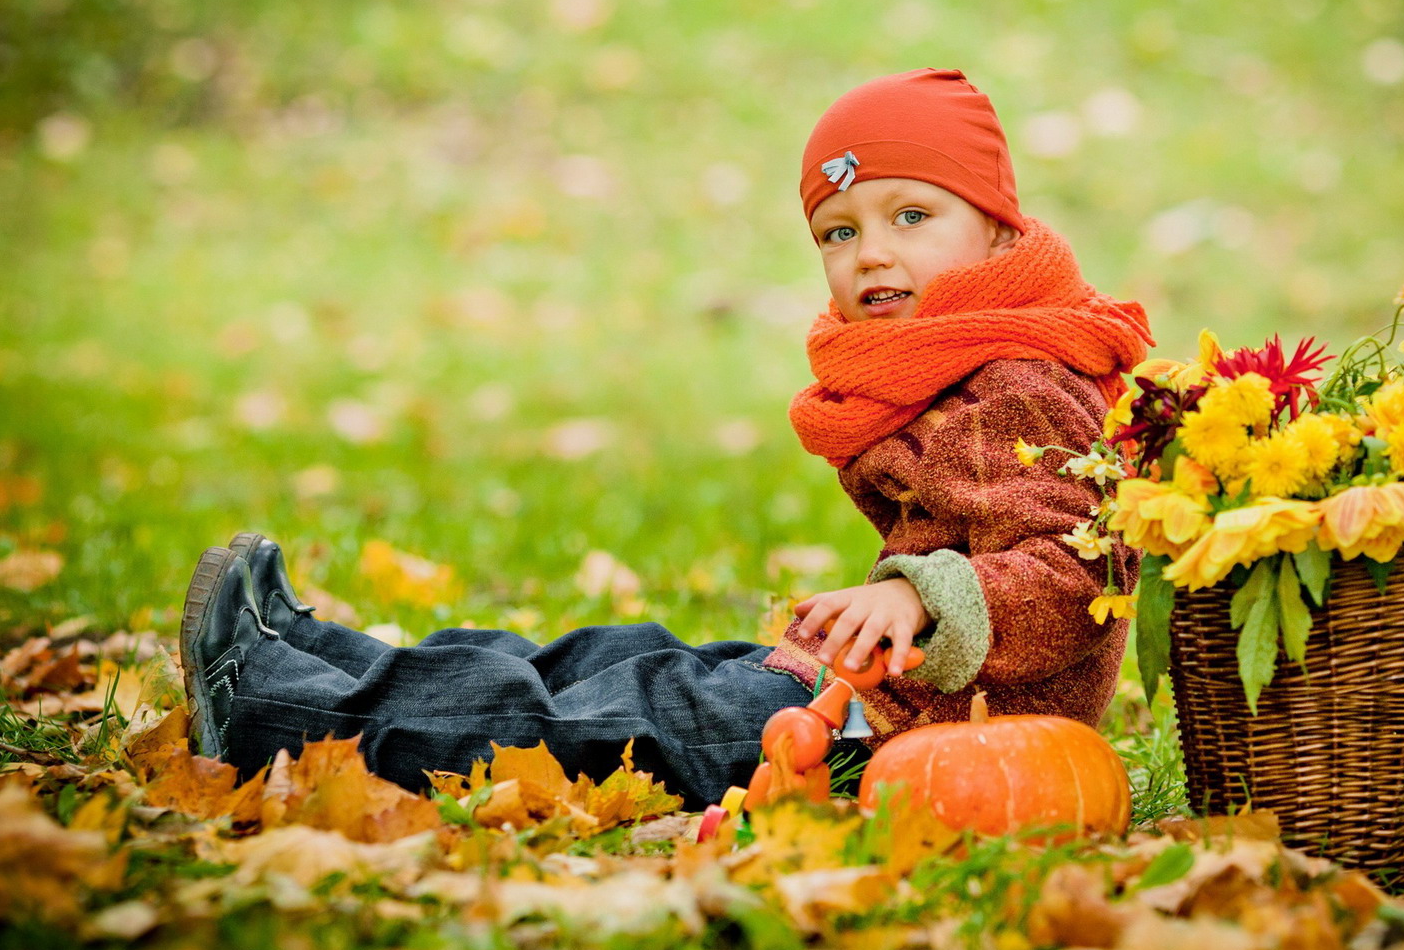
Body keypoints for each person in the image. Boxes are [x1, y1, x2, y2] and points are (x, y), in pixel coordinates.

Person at [173, 67, 1152, 807]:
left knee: (603, 718)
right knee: (609, 657)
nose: (873, 252)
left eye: (910, 214)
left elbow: (1077, 574)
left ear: (993, 230)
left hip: (914, 743)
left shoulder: (1023, 375)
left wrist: (922, 599)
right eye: (839, 232)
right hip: (863, 695)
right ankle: (319, 654)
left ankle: (276, 712)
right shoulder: (966, 355)